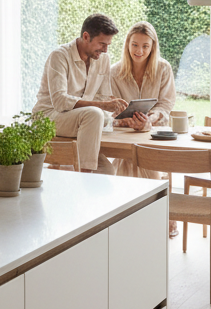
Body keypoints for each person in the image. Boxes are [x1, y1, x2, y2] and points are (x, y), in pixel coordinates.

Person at [32, 13, 127, 174]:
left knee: (107, 172)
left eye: (108, 45)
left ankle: (71, 171)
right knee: (95, 114)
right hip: (48, 117)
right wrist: (102, 106)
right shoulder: (60, 56)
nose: (105, 50)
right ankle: (82, 176)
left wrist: (116, 110)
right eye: (102, 44)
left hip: (80, 120)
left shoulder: (103, 59)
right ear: (86, 36)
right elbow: (60, 101)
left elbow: (102, 98)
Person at [110, 20, 178, 233]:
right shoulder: (114, 72)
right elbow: (110, 107)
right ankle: (148, 218)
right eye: (135, 45)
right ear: (127, 44)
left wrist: (151, 119)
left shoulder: (163, 69)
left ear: (153, 47)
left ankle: (146, 219)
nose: (139, 51)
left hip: (155, 133)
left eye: (145, 46)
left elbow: (166, 104)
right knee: (129, 157)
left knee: (143, 158)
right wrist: (124, 120)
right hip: (124, 133)